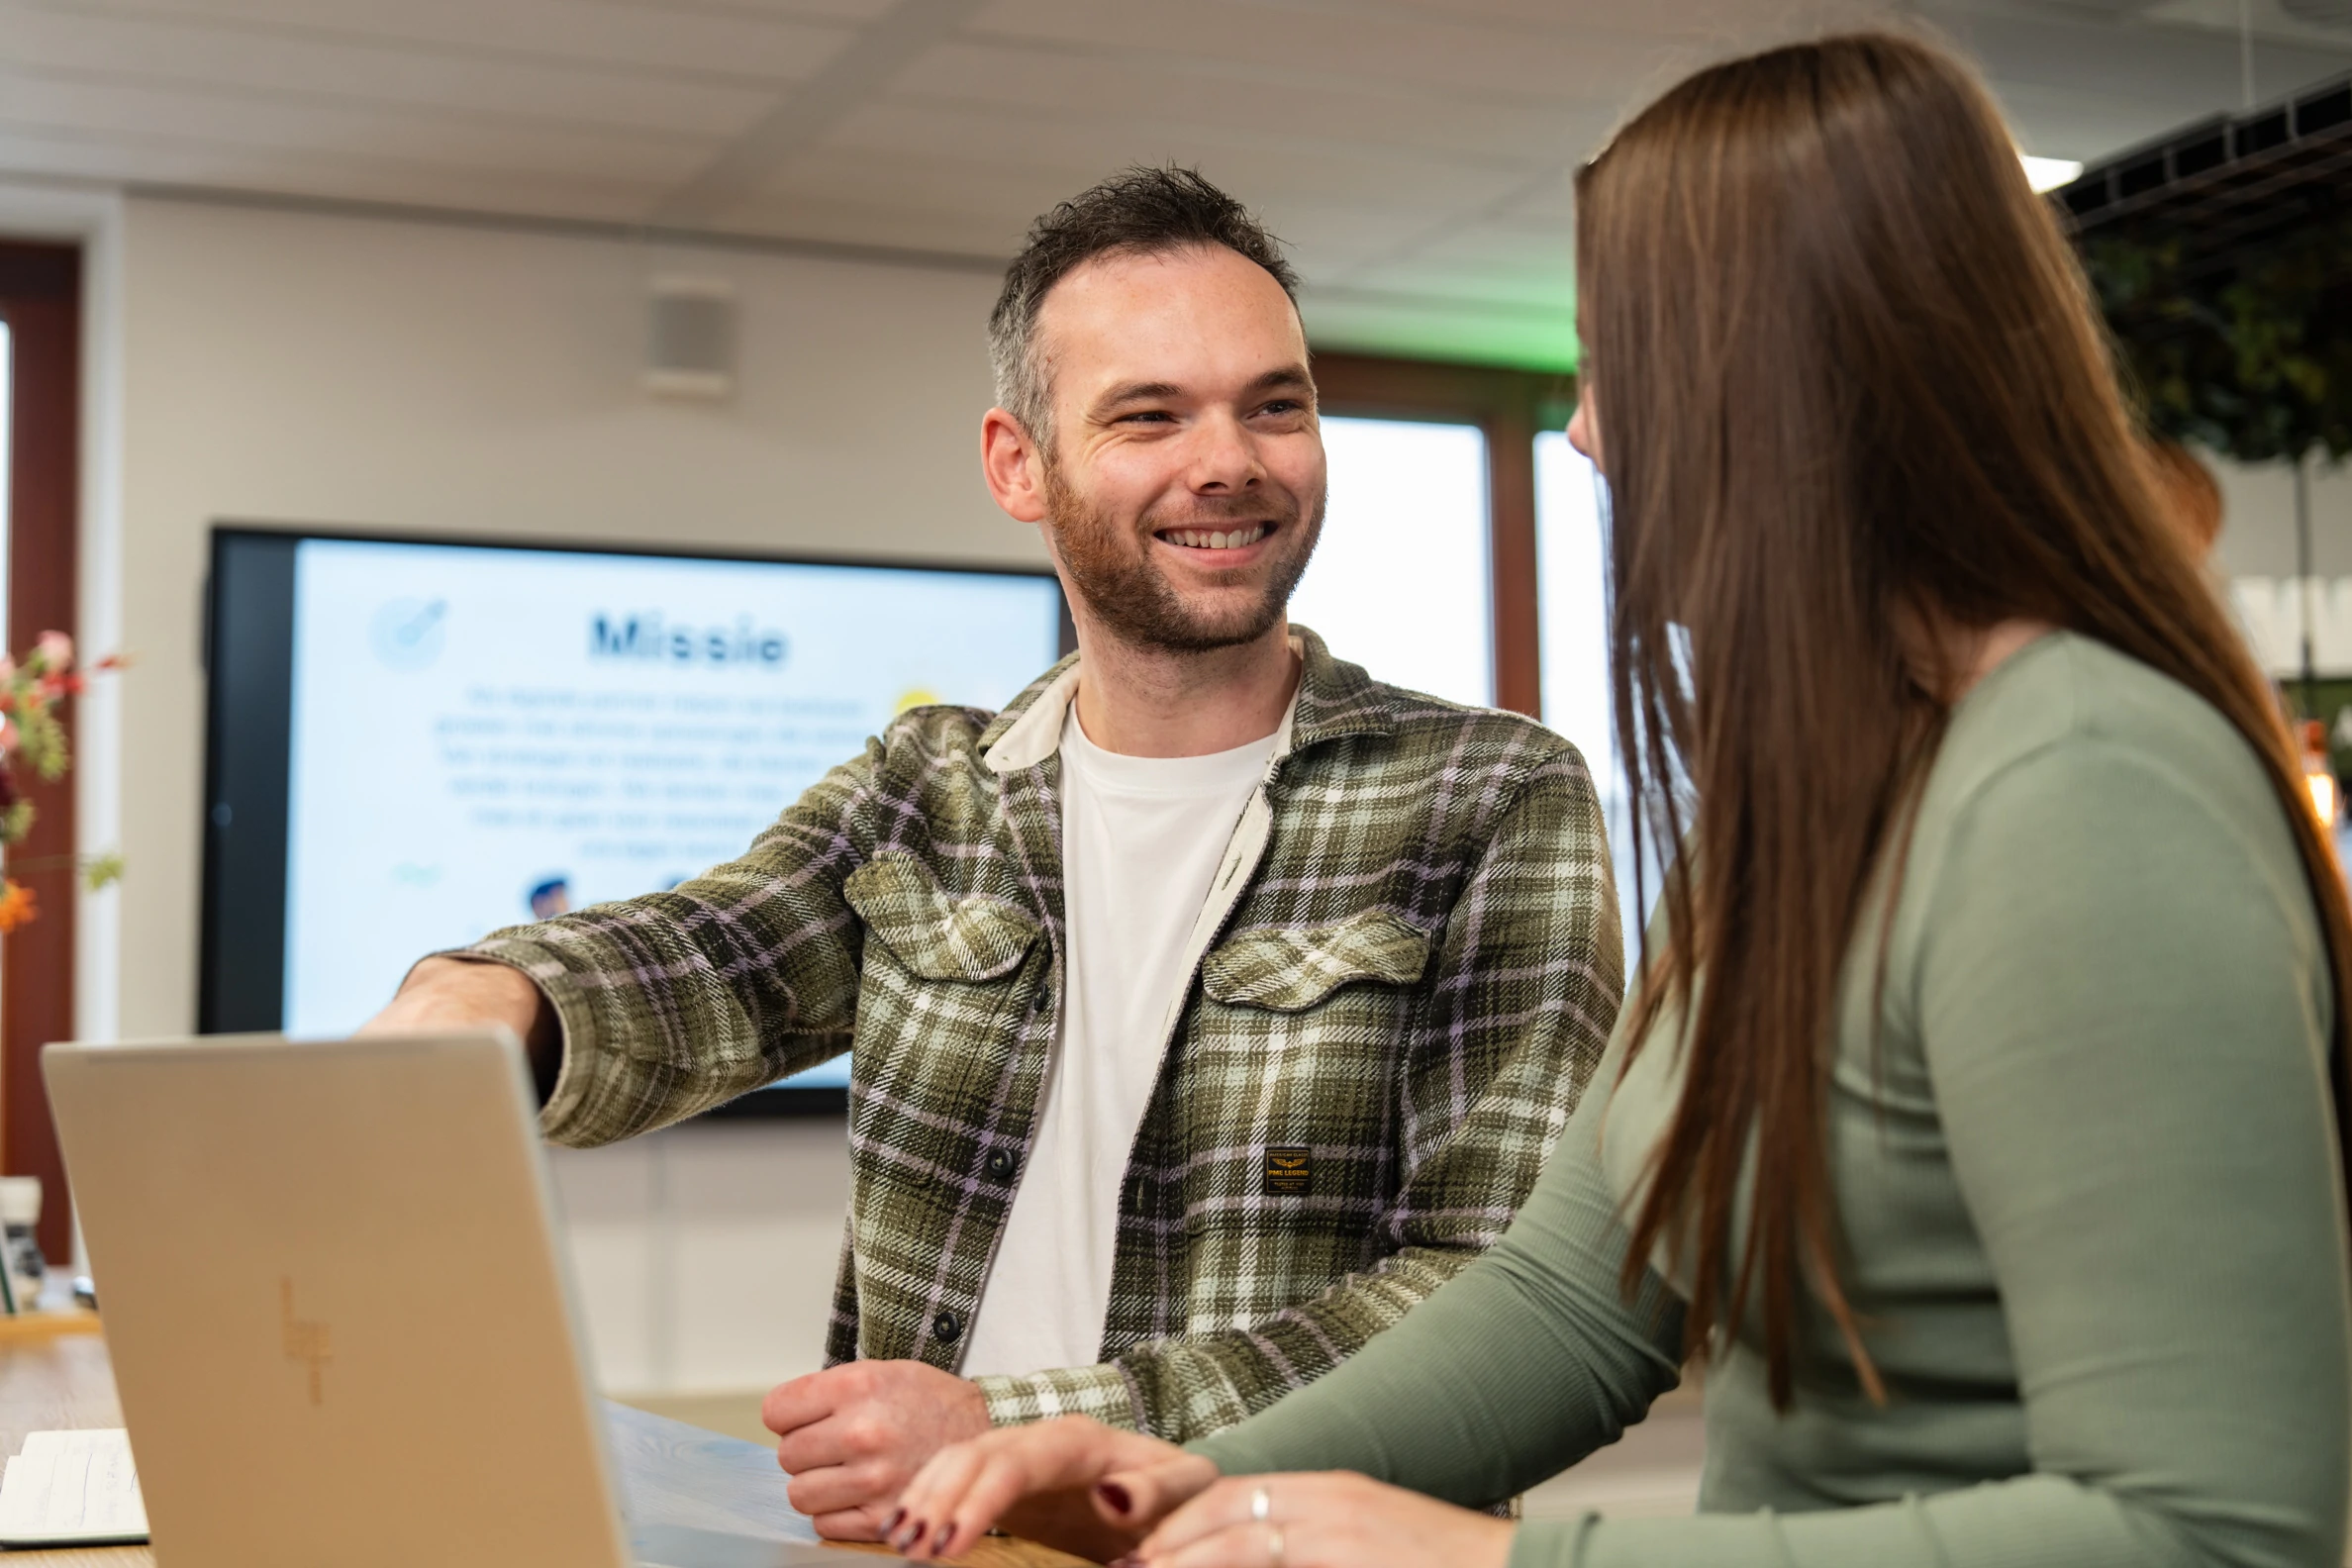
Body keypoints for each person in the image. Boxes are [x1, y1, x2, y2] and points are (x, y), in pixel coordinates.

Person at [884, 36, 2352, 1568]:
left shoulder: (2084, 791)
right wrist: (1177, 1485)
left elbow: (2211, 1534)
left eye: (1610, 363)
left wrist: (1493, 1562)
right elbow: (1578, 1306)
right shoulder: (1815, 799)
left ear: (1788, 380)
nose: (1583, 432)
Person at [363, 168, 1621, 1541]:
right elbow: (713, 954)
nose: (1232, 462)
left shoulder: (1492, 799)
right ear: (1019, 464)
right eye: (1150, 415)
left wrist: (1011, 1428)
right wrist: (493, 992)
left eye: (1276, 405)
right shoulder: (932, 786)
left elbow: (1490, 1298)